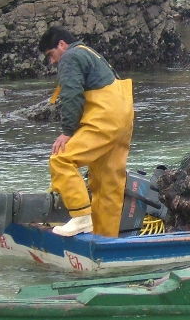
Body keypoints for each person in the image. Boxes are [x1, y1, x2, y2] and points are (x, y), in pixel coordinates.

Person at [38, 25, 134, 237]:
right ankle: (105, 238)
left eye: (51, 55)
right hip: (123, 121)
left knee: (61, 159)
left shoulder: (70, 56)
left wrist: (67, 131)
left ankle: (81, 216)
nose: (52, 61)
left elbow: (71, 95)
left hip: (104, 120)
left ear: (61, 44)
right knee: (107, 183)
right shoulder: (92, 54)